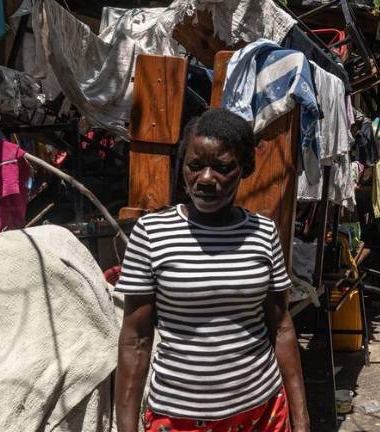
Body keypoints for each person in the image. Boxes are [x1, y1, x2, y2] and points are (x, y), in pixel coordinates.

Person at [115, 109, 310, 431]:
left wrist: (301, 418)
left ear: (245, 168)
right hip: (178, 418)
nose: (205, 179)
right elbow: (136, 339)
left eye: (222, 167)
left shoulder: (263, 233)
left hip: (262, 413)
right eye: (195, 166)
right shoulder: (151, 234)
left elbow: (281, 327)